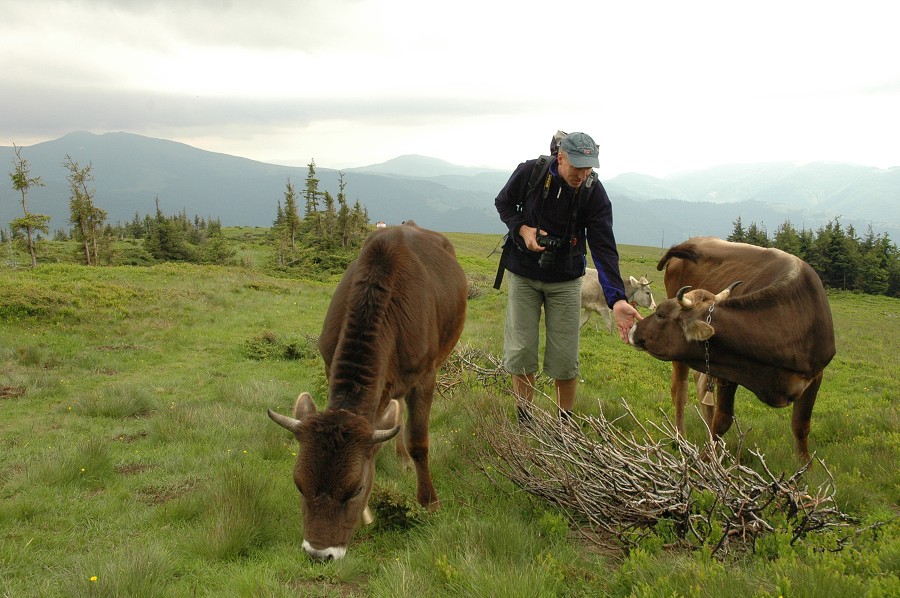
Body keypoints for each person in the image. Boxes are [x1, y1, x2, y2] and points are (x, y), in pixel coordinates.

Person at [494, 131, 641, 422]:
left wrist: (617, 300)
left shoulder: (593, 192)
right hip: (524, 273)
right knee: (522, 349)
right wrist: (522, 230)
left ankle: (564, 424)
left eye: (588, 169)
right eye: (577, 167)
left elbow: (604, 247)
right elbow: (504, 203)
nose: (582, 175)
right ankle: (526, 418)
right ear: (560, 158)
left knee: (565, 355)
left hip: (566, 278)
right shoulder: (530, 173)